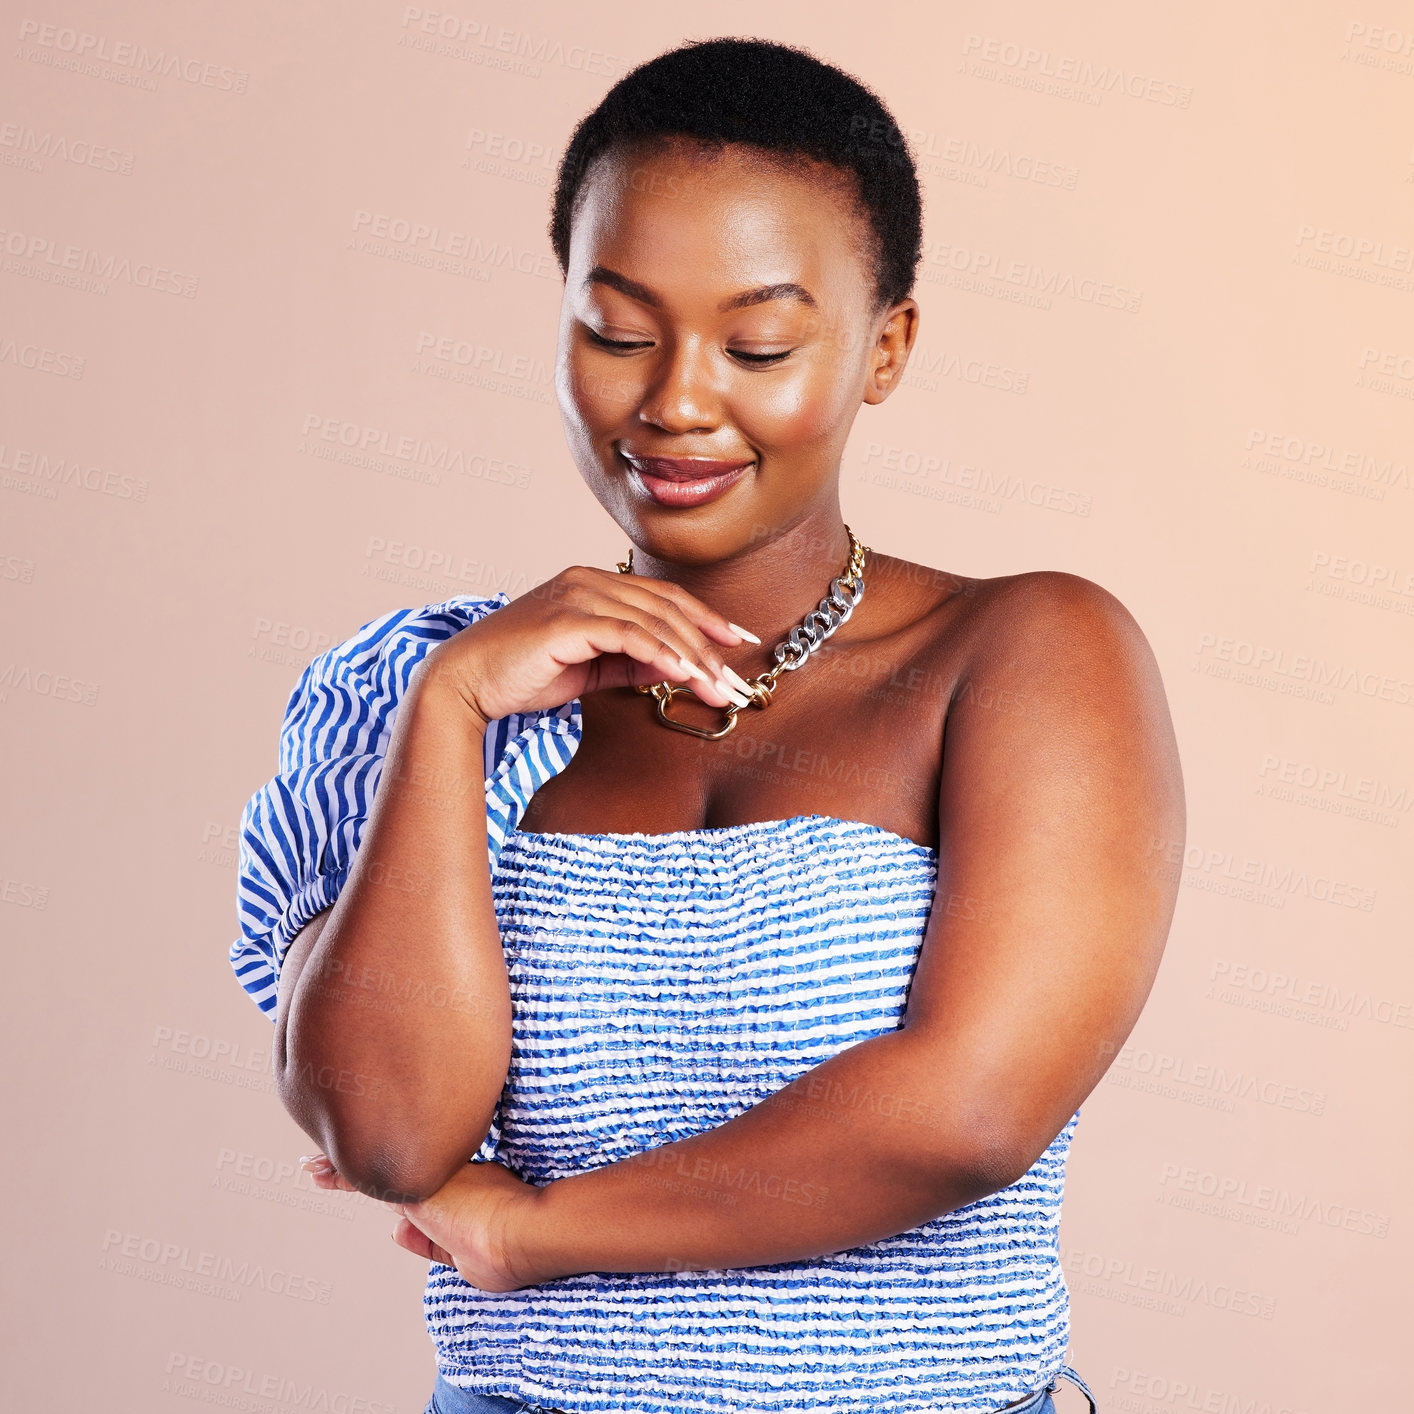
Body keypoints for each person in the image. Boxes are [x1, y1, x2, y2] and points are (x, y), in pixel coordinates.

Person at [230, 35, 1183, 1414]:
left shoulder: (1023, 654)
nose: (675, 399)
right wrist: (445, 716)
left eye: (757, 343)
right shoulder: (422, 685)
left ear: (884, 348)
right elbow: (385, 1129)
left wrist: (534, 1230)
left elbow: (966, 1114)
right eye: (616, 330)